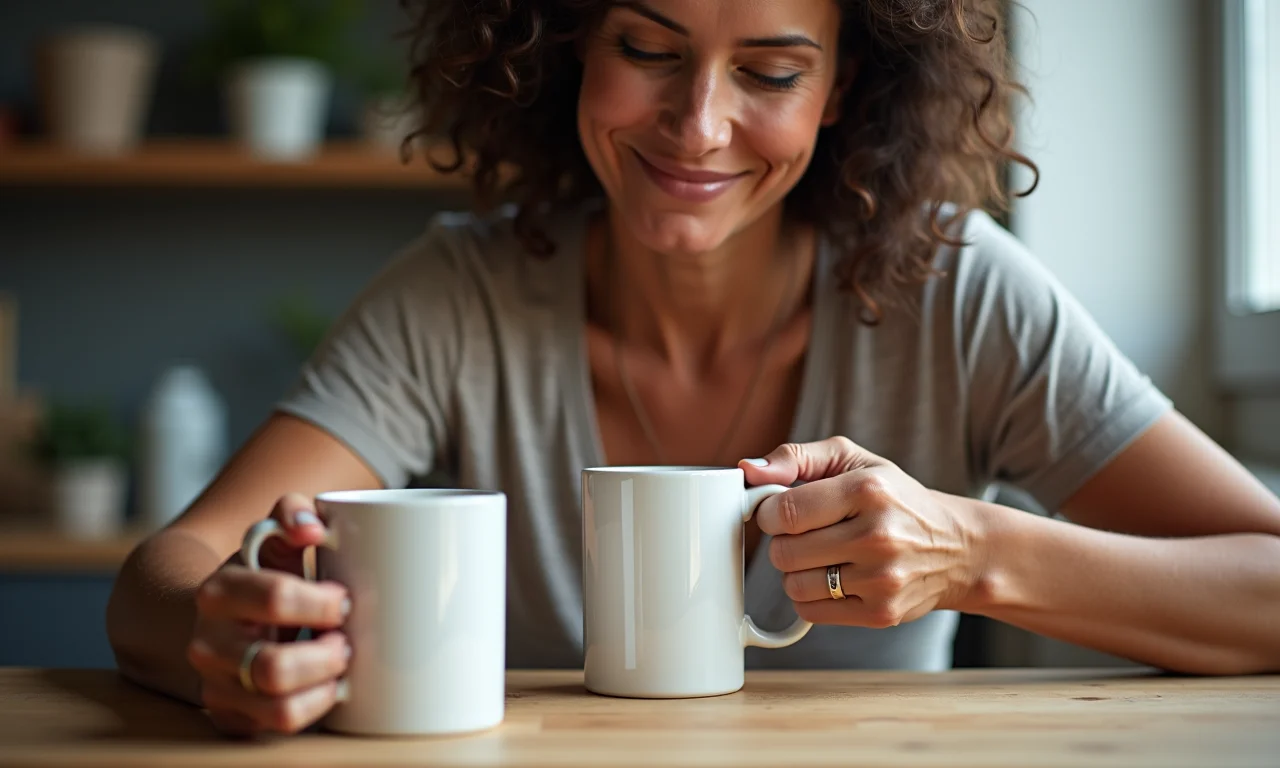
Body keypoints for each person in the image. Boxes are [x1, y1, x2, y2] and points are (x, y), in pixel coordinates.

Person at [106, 0, 1280, 736]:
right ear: (570, 44)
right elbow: (164, 577)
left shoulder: (959, 292)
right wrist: (229, 634)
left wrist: (971, 552)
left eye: (768, 72)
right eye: (647, 49)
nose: (696, 125)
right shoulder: (460, 293)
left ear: (839, 92)